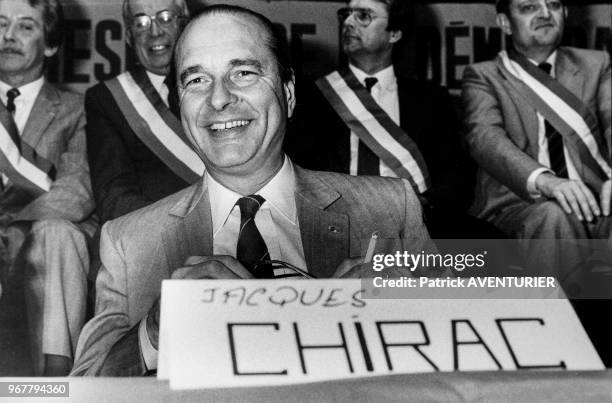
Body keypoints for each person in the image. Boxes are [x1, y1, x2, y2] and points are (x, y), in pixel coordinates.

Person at [71, 4, 433, 376]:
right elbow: (79, 389)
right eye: (196, 80)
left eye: (243, 72)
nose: (218, 99)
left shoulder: (390, 208)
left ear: (288, 94)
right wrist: (156, 329)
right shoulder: (129, 243)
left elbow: (481, 359)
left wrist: (409, 308)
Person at [462, 0, 611, 365]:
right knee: (554, 217)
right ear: (504, 22)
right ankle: (555, 357)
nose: (545, 13)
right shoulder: (484, 74)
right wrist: (547, 182)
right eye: (529, 6)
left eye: (555, 4)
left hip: (596, 198)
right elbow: (485, 139)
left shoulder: (596, 64)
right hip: (520, 204)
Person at [287, 0, 500, 239]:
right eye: (346, 14)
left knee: (491, 244)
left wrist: (423, 205)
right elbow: (298, 169)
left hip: (414, 222)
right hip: (336, 223)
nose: (348, 22)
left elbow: (456, 175)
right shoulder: (313, 96)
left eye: (363, 15)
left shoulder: (431, 99)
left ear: (395, 34)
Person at [0, 0, 96, 375]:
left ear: (51, 44)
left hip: (44, 236)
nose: (8, 35)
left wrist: (15, 229)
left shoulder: (81, 108)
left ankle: (54, 383)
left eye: (25, 26)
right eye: (1, 24)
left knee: (55, 233)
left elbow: (78, 187)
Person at [85, 0, 202, 225]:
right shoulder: (107, 100)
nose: (155, 32)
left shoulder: (218, 85)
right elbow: (114, 196)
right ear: (129, 37)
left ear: (185, 24)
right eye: (140, 23)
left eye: (166, 18)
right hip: (157, 234)